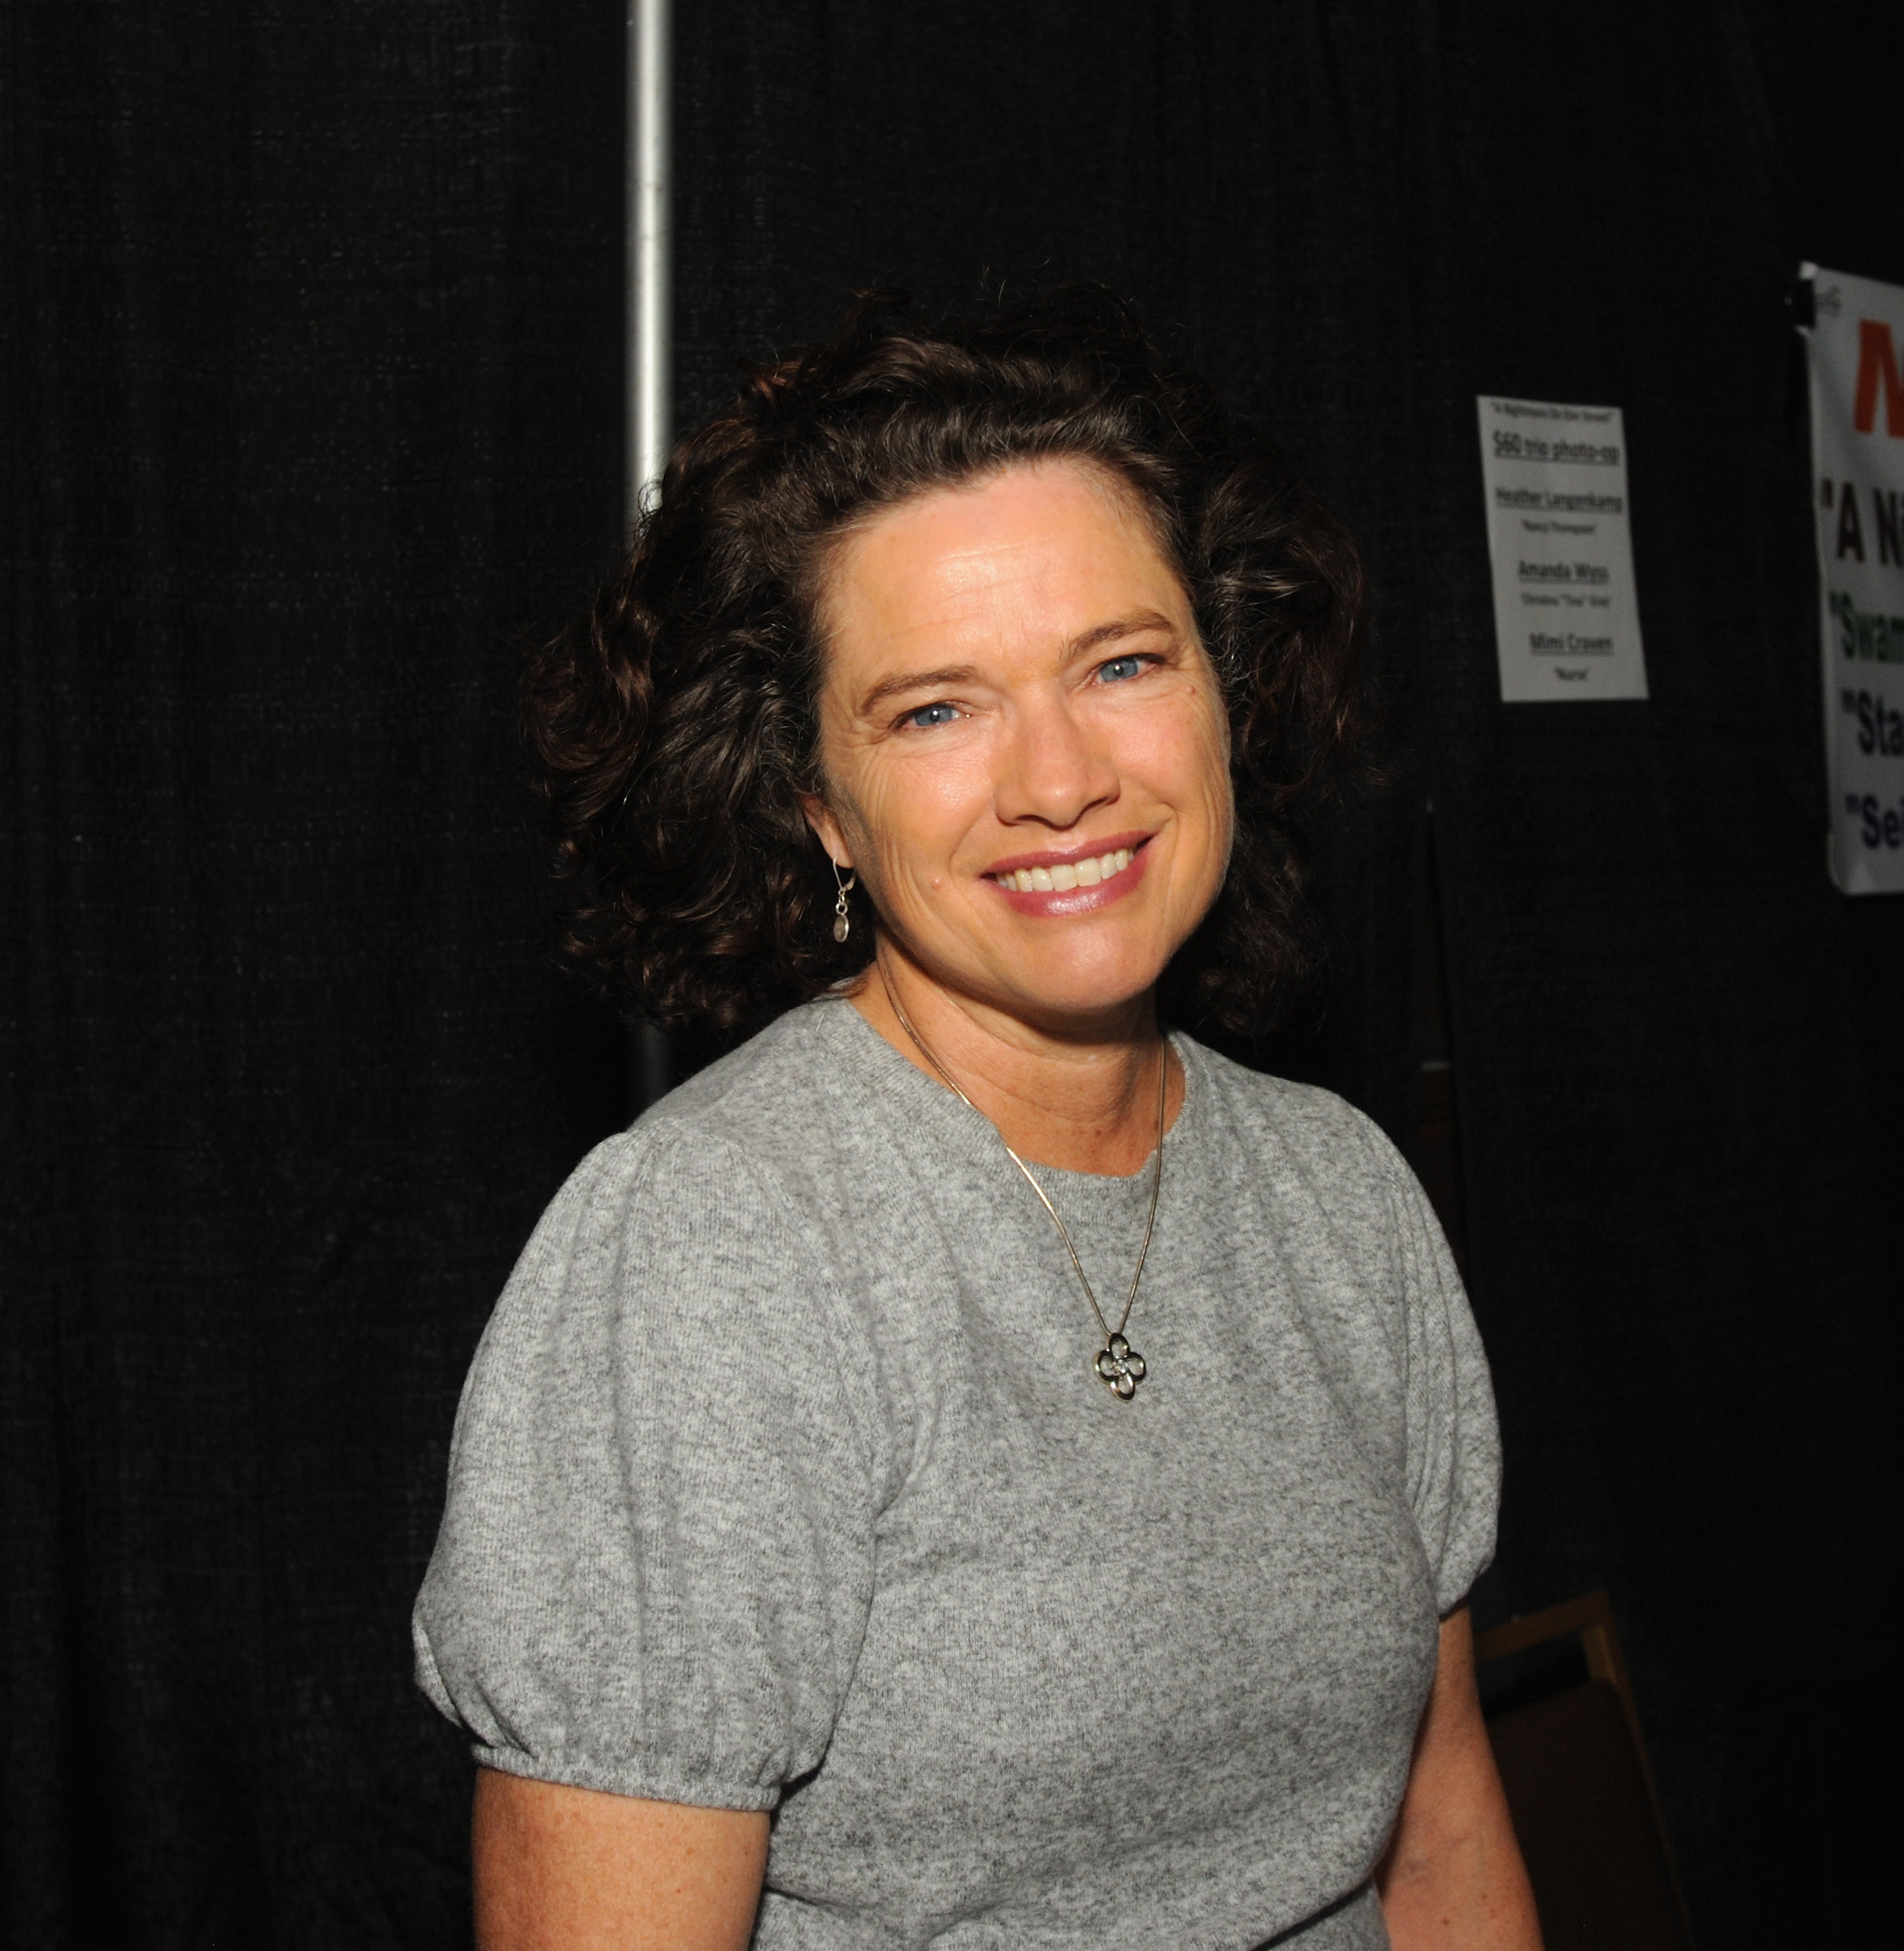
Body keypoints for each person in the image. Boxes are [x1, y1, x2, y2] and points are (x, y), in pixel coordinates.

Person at [413, 288, 1541, 1951]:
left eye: (1124, 664)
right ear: (817, 804)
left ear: (1225, 691)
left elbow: (1440, 1843)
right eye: (937, 708)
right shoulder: (714, 1253)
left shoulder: (1341, 1193)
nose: (1060, 776)